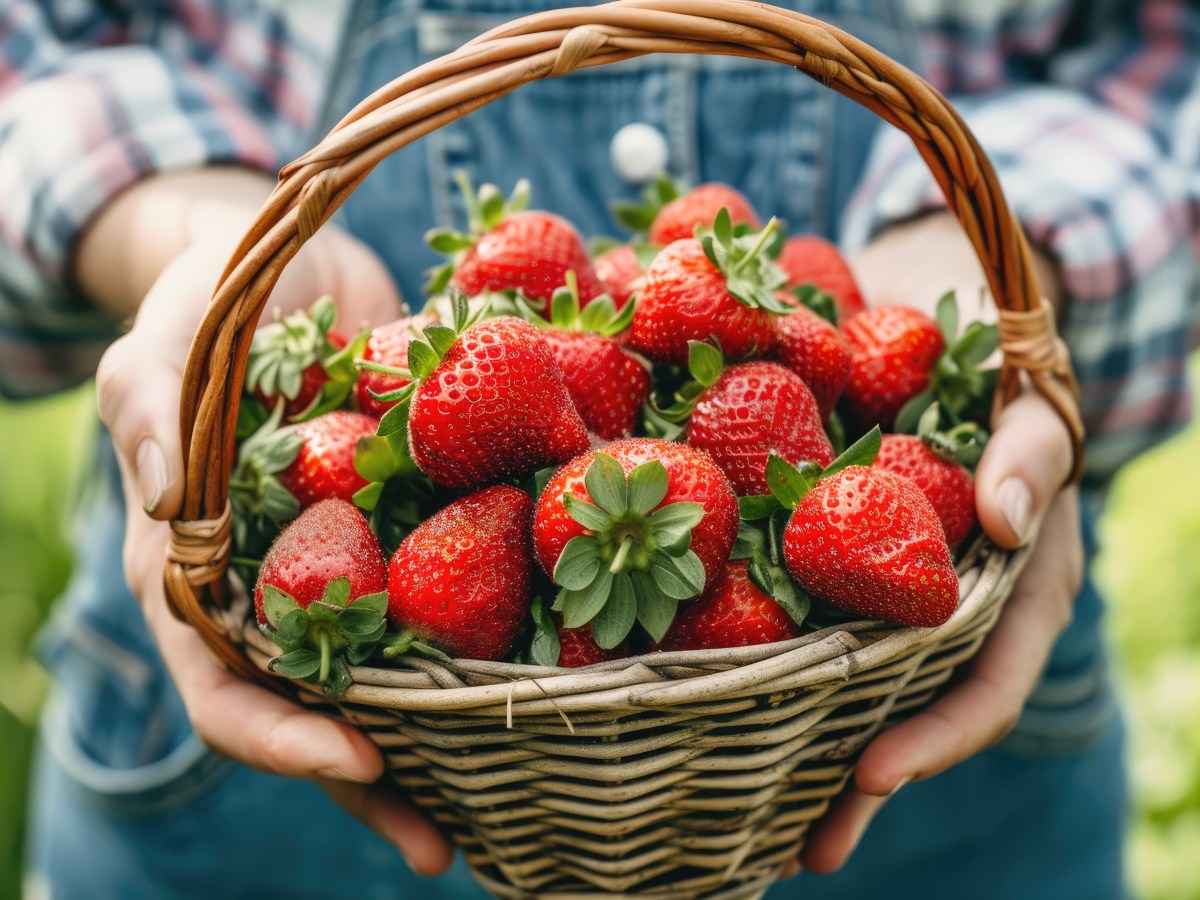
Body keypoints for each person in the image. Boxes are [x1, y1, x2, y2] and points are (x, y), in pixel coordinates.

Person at [1, 1, 1195, 898]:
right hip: (275, 762)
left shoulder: (695, 406)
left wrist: (992, 272)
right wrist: (213, 250)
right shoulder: (530, 443)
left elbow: (1158, 65)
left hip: (917, 749)